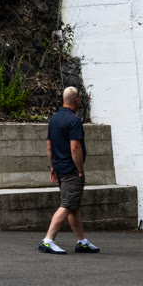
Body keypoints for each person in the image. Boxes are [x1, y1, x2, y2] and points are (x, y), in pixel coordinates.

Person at [39, 87, 98, 254]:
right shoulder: (74, 120)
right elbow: (75, 148)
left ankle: (82, 242)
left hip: (59, 168)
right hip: (71, 170)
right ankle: (48, 240)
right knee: (66, 205)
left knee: (73, 205)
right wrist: (80, 170)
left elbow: (49, 145)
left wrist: (53, 167)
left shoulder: (54, 119)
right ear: (77, 100)